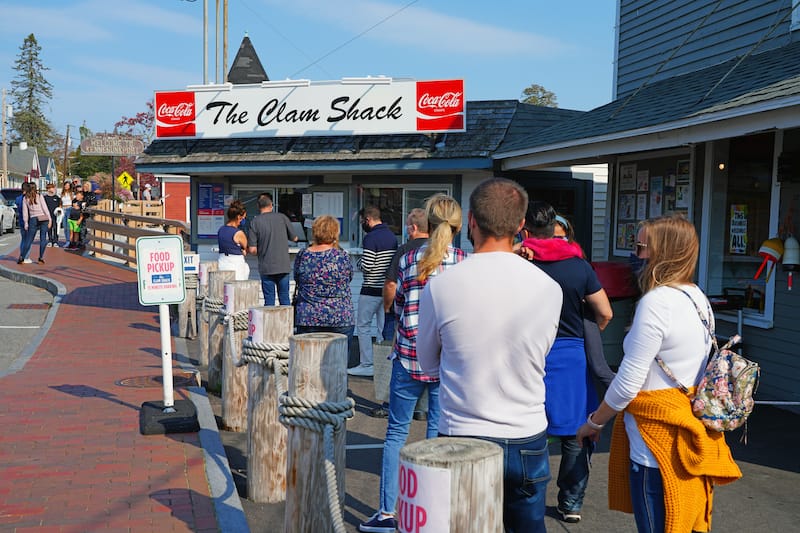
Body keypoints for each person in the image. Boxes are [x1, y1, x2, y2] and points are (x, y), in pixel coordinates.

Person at [576, 215, 741, 533]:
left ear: (661, 252)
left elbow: (627, 384)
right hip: (689, 431)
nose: (634, 256)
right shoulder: (696, 297)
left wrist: (594, 422)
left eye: (639, 247)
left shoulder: (656, 303)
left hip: (656, 445)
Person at [417, 178, 563, 533]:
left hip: (461, 431)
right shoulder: (549, 287)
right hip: (526, 433)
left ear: (471, 221)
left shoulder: (441, 285)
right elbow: (540, 352)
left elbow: (427, 363)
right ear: (520, 226)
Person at [359, 195, 467, 533]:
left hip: (409, 355)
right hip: (448, 361)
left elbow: (399, 304)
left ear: (427, 223)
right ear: (458, 226)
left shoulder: (407, 259)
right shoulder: (465, 261)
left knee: (396, 434)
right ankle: (433, 509)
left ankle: (387, 513)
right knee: (437, 435)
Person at [520, 201, 613, 524]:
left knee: (529, 430)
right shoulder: (579, 266)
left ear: (527, 230)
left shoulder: (521, 262)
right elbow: (605, 313)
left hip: (530, 352)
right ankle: (571, 501)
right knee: (576, 433)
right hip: (571, 354)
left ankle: (528, 498)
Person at [370, 208, 430, 418]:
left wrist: (388, 308)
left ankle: (389, 404)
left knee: (392, 357)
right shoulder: (438, 250)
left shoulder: (404, 250)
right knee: (427, 359)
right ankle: (422, 409)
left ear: (413, 228)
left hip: (404, 312)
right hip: (430, 316)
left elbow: (390, 284)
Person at [349, 206, 398, 377]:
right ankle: (382, 362)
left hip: (370, 288)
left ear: (368, 220)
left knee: (363, 326)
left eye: (362, 221)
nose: (362, 224)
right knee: (382, 327)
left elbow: (368, 264)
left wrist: (358, 263)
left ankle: (367, 363)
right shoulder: (391, 237)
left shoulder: (370, 238)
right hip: (386, 289)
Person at [293, 215, 354, 346]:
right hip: (340, 316)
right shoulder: (342, 256)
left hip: (309, 316)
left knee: (307, 362)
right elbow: (349, 278)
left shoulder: (303, 255)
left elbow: (297, 278)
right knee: (339, 363)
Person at [247, 192, 299, 306]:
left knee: (269, 301)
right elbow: (295, 238)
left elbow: (252, 250)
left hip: (266, 267)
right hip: (283, 266)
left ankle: (269, 324)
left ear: (258, 206)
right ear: (271, 205)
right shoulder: (282, 217)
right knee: (284, 298)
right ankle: (286, 324)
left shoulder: (255, 222)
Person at [18, 183, 52, 265]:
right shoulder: (39, 196)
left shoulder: (25, 198)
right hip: (43, 217)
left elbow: (25, 212)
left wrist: (26, 222)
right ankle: (40, 258)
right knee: (43, 238)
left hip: (33, 218)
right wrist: (50, 219)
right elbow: (45, 208)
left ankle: (22, 256)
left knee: (29, 239)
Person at [217, 200, 250, 280]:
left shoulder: (221, 230)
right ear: (239, 217)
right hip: (235, 264)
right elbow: (247, 248)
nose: (244, 220)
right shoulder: (239, 233)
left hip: (222, 262)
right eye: (243, 217)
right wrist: (245, 250)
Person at [15, 182, 32, 262]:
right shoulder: (27, 198)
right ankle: (26, 257)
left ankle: (22, 254)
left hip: (21, 220)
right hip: (28, 221)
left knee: (23, 239)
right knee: (28, 240)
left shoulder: (18, 198)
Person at [43, 183, 61, 247]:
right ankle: (50, 240)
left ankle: (55, 241)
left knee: (56, 228)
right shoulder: (45, 198)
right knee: (49, 228)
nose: (53, 189)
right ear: (48, 189)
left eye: (53, 188)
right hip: (48, 216)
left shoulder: (57, 197)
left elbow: (60, 205)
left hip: (56, 216)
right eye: (51, 188)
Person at [60, 181, 73, 246]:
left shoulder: (72, 194)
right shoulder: (62, 193)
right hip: (63, 209)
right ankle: (67, 240)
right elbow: (60, 203)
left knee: (69, 226)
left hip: (69, 209)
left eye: (68, 185)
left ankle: (69, 241)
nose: (66, 186)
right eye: (65, 185)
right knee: (64, 226)